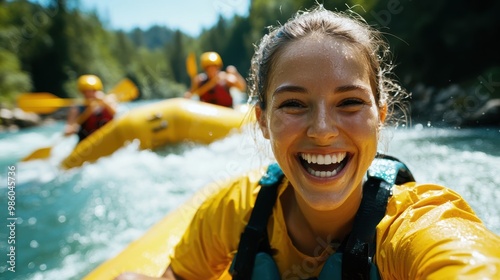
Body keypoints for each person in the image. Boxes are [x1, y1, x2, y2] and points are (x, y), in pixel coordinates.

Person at [117, 6, 500, 280]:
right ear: (263, 121)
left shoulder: (417, 226)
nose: (321, 130)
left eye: (349, 102)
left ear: (380, 116)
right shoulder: (234, 210)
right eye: (294, 104)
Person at [64, 74, 117, 142]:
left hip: (107, 139)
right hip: (86, 141)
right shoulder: (76, 108)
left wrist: (104, 101)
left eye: (92, 91)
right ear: (82, 92)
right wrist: (72, 129)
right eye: (86, 91)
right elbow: (67, 131)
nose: (89, 94)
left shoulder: (108, 101)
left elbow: (116, 114)